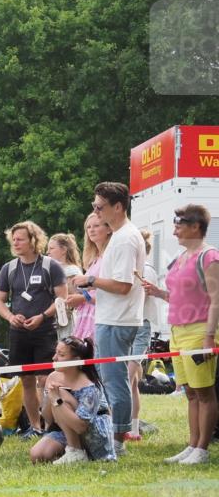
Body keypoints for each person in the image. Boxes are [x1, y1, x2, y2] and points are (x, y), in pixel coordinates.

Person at [142, 204, 218, 465]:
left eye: (178, 225)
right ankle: (192, 445)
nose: (174, 231)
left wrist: (209, 336)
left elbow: (215, 298)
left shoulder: (209, 256)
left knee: (204, 392)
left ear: (195, 226)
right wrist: (159, 293)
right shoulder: (182, 257)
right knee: (190, 392)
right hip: (178, 331)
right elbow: (180, 295)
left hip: (199, 331)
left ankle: (202, 449)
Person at [75, 182, 146, 452]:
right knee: (111, 379)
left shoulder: (126, 237)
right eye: (94, 206)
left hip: (118, 319)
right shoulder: (120, 235)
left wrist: (90, 279)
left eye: (100, 207)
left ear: (118, 206)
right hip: (112, 316)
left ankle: (118, 440)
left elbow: (123, 285)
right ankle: (115, 436)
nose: (96, 212)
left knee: (115, 381)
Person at [0, 221, 67, 437]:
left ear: (33, 240)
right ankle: (34, 427)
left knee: (45, 379)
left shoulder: (50, 265)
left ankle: (51, 424)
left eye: (20, 239)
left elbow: (62, 297)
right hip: (19, 333)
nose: (15, 243)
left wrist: (43, 316)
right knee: (26, 379)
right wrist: (10, 317)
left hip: (44, 330)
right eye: (13, 239)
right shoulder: (9, 268)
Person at [29, 337, 116, 464]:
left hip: (94, 433)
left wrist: (58, 399)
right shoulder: (53, 377)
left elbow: (81, 427)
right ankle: (72, 450)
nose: (54, 358)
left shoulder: (90, 386)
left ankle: (76, 452)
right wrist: (51, 397)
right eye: (56, 352)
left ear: (76, 361)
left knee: (62, 394)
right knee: (38, 455)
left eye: (61, 354)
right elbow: (48, 419)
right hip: (66, 429)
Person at [127, 229, 165, 441]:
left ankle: (131, 426)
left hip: (140, 326)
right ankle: (131, 426)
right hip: (129, 326)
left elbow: (139, 298)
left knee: (129, 378)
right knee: (130, 381)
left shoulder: (146, 269)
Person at [71, 213, 111, 342]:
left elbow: (110, 291)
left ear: (109, 229)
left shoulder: (109, 256)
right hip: (87, 315)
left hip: (101, 316)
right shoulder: (94, 259)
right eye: (88, 227)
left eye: (96, 226)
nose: (91, 230)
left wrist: (83, 297)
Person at [46, 232, 84, 339]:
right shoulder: (51, 270)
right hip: (52, 322)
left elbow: (75, 300)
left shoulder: (71, 271)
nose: (47, 252)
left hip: (67, 322)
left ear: (63, 250)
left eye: (51, 248)